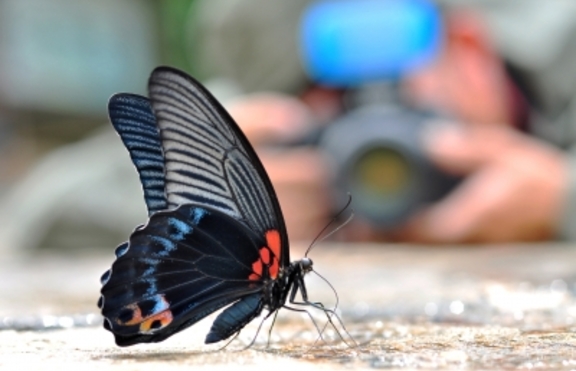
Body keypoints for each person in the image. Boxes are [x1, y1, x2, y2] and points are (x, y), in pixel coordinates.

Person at [189, 0, 576, 244]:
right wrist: (199, 204)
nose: (378, 147)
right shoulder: (240, 106)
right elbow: (130, 163)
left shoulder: (563, 56)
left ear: (469, 51)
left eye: (401, 103)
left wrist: (561, 199)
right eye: (348, 111)